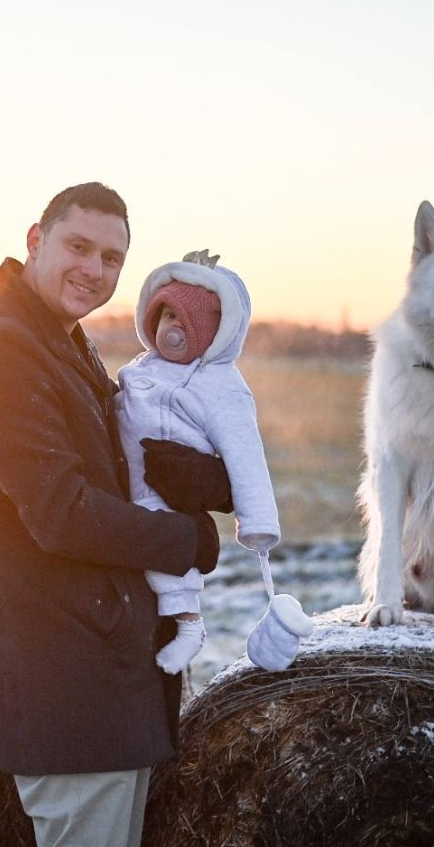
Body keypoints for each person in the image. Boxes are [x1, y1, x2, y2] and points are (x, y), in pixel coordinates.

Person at [0, 182, 231, 847]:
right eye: (78, 246)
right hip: (67, 688)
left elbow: (112, 460)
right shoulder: (4, 348)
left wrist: (215, 478)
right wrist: (187, 538)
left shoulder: (56, 338)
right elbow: (60, 513)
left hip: (98, 681)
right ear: (35, 240)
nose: (94, 271)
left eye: (112, 258)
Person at [115, 250, 281, 674]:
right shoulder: (143, 366)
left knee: (166, 556)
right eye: (165, 314)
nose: (170, 327)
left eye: (183, 321)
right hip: (125, 479)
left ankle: (190, 627)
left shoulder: (220, 386)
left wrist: (258, 524)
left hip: (164, 488)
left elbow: (246, 454)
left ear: (211, 331)